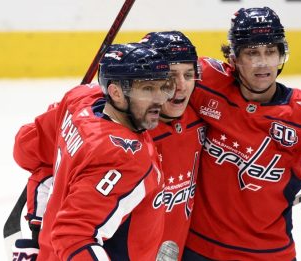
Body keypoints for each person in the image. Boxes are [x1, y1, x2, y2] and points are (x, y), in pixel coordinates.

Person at [182, 7, 301, 261]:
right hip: (198, 250)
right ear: (233, 58)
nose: (263, 63)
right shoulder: (205, 82)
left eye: (270, 52)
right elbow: (150, 80)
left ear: (282, 54)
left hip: (269, 255)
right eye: (252, 53)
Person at [12, 32, 205, 260]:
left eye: (162, 87)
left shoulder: (80, 100)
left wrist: (37, 227)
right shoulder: (123, 156)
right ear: (115, 92)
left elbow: (27, 149)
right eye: (146, 89)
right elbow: (74, 236)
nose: (160, 99)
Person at [140, 31, 207, 260]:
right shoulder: (127, 132)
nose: (181, 86)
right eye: (170, 75)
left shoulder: (200, 119)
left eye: (189, 75)